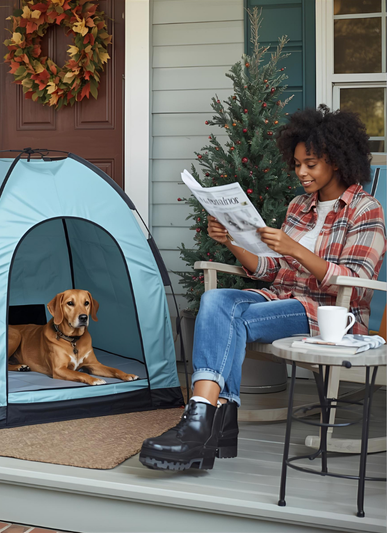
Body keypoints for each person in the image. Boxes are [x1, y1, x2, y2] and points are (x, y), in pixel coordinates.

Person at [139, 105, 387, 471]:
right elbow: (272, 270)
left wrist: (294, 248)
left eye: (311, 163)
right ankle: (211, 417)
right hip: (280, 299)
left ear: (335, 160)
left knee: (232, 315)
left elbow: (354, 278)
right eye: (298, 163)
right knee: (216, 299)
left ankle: (204, 421)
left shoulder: (366, 210)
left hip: (326, 313)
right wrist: (230, 242)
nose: (301, 172)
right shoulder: (299, 207)